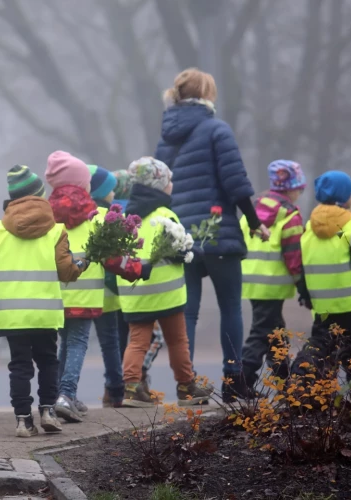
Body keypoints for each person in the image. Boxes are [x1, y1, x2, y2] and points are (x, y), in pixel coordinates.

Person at [154, 68, 269, 401]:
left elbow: (161, 188)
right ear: (207, 95)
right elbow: (235, 181)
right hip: (219, 233)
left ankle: (186, 384)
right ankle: (234, 382)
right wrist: (252, 220)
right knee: (231, 308)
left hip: (181, 237)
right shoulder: (217, 130)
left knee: (187, 312)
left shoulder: (166, 138)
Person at [0, 164, 84, 437]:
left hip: (11, 314)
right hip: (45, 313)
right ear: (39, 195)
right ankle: (48, 411)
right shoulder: (56, 231)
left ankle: (23, 420)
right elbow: (66, 272)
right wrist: (81, 265)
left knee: (19, 365)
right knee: (48, 361)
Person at [117, 157, 213, 408]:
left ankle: (131, 388)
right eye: (169, 180)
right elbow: (181, 250)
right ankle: (186, 387)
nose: (172, 184)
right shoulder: (165, 215)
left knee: (137, 341)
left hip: (135, 294)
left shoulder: (126, 218)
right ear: (159, 185)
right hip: (167, 295)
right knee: (177, 341)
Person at [45, 155, 123, 421]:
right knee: (77, 343)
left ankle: (62, 395)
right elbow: (113, 257)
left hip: (57, 293)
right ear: (82, 185)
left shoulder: (47, 214)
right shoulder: (97, 215)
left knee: (65, 343)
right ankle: (66, 394)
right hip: (86, 293)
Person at [293, 171, 351, 378]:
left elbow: (302, 266)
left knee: (319, 347)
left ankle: (301, 380)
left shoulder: (309, 227)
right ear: (344, 196)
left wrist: (305, 294)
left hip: (323, 305)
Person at [239, 160, 307, 389]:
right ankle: (240, 381)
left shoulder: (253, 208)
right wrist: (303, 286)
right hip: (273, 284)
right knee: (260, 332)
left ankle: (283, 378)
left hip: (250, 280)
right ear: (291, 188)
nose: (301, 192)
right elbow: (294, 257)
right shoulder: (290, 215)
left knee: (275, 330)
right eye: (300, 187)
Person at [105, 168, 161, 405]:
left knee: (119, 340)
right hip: (132, 284)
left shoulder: (108, 214)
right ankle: (138, 379)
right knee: (152, 337)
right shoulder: (136, 213)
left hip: (111, 289)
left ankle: (113, 388)